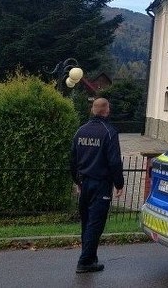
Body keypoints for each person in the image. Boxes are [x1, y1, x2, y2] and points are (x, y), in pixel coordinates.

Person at [69, 97, 124, 273]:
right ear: (107, 110)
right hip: (101, 184)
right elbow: (114, 161)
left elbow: (73, 159)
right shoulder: (109, 132)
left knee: (87, 222)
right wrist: (119, 183)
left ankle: (90, 257)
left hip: (84, 182)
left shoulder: (80, 131)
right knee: (96, 223)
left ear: (93, 110)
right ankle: (85, 261)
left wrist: (77, 181)